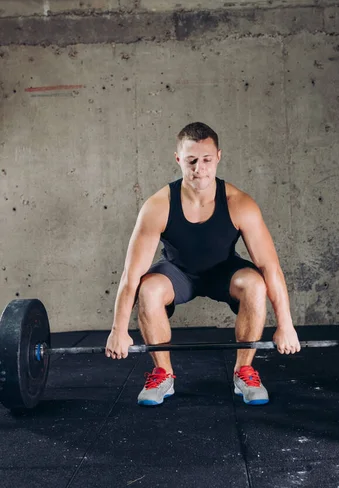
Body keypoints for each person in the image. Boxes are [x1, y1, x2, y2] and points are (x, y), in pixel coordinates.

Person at [105, 122, 300, 406]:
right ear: (178, 160)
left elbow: (271, 268)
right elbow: (131, 274)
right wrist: (118, 330)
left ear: (218, 157)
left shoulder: (239, 203)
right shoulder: (158, 205)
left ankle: (244, 371)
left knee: (256, 283)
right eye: (191, 160)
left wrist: (286, 325)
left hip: (223, 271)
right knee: (148, 289)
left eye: (207, 160)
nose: (200, 169)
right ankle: (163, 374)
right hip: (177, 273)